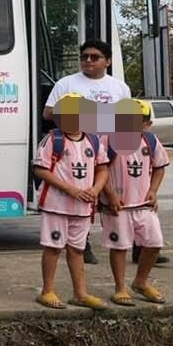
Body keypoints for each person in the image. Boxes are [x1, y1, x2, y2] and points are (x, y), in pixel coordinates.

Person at [43, 39, 134, 266]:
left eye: (95, 57)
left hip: (113, 146)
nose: (88, 61)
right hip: (79, 146)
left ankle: (134, 244)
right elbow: (48, 113)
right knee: (85, 193)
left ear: (108, 61)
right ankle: (83, 245)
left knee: (117, 196)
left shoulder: (119, 87)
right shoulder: (67, 83)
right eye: (84, 57)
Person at [33, 93, 109, 310]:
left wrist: (95, 189)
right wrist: (70, 189)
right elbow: (40, 169)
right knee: (53, 247)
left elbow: (102, 167)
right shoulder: (53, 139)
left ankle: (80, 293)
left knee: (77, 249)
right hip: (56, 205)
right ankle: (48, 291)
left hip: (83, 207)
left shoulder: (93, 141)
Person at [100, 99, 168, 305]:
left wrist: (153, 191)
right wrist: (110, 194)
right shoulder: (108, 140)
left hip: (143, 204)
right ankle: (120, 287)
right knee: (120, 246)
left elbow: (159, 166)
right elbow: (100, 170)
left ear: (147, 124)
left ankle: (140, 281)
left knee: (154, 244)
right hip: (117, 206)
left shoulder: (150, 141)